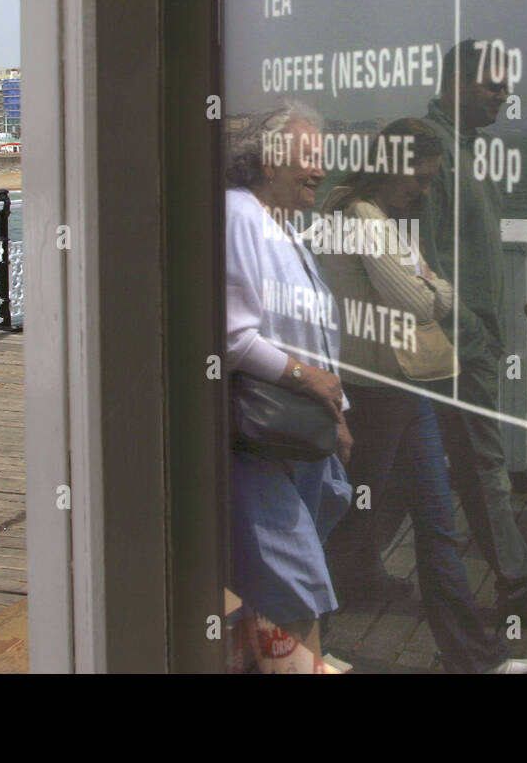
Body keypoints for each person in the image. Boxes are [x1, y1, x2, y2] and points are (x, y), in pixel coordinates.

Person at [316, 118, 527, 673]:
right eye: (422, 178)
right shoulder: (364, 218)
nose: (425, 191)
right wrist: (437, 285)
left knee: (425, 520)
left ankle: (472, 657)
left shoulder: (346, 205)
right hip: (382, 389)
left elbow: (406, 289)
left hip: (395, 388)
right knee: (361, 518)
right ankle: (304, 638)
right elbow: (418, 300)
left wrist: (424, 282)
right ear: (392, 166)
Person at [417, 40, 527, 635]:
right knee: (482, 468)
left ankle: (352, 565)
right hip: (458, 348)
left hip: (468, 342)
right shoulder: (435, 152)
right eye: (493, 85)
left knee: (398, 463)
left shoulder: (464, 150)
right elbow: (427, 264)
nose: (504, 94)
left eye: (506, 86)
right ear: (456, 83)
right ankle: (523, 588)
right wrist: (472, 338)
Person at [225, 98, 354, 673]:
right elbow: (229, 336)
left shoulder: (287, 231)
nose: (321, 171)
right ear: (268, 162)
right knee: (292, 573)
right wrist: (309, 379)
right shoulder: (239, 217)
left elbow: (315, 338)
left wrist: (337, 412)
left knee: (280, 574)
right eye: (309, 157)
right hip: (259, 435)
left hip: (299, 431)